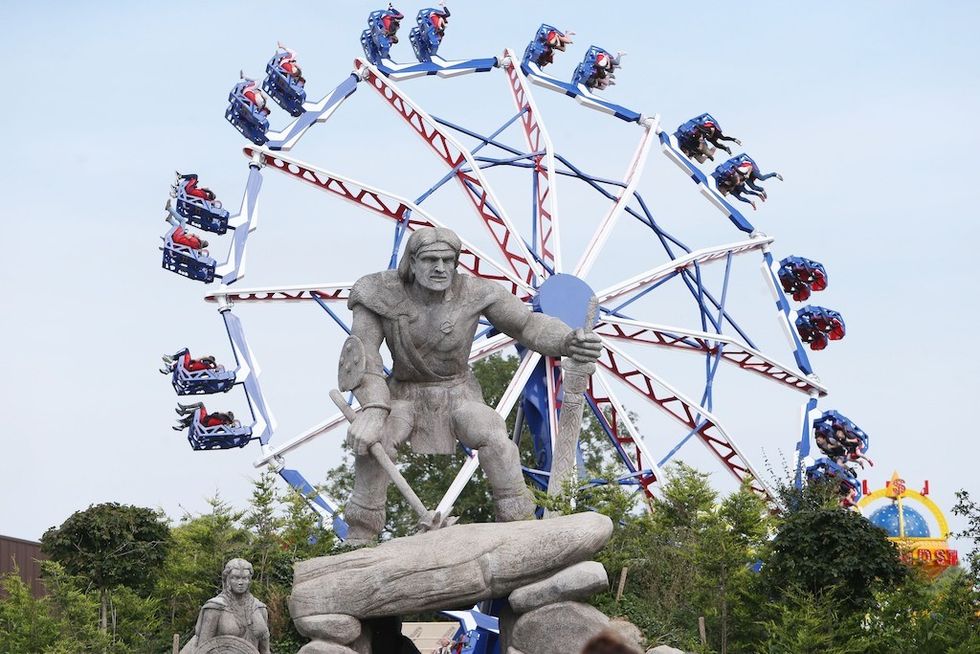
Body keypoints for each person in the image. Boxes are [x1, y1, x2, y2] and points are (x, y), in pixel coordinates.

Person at [341, 227, 602, 544]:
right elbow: (363, 356)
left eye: (448, 260)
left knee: (495, 437)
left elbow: (527, 324)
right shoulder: (378, 293)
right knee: (375, 440)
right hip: (404, 392)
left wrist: (567, 340)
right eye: (431, 260)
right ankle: (360, 537)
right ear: (412, 261)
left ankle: (520, 528)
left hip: (458, 391)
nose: (440, 268)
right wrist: (373, 409)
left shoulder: (476, 293)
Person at [188, 558, 271, 654]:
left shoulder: (259, 608)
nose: (240, 582)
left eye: (245, 578)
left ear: (249, 580)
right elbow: (203, 648)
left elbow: (265, 650)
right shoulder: (215, 607)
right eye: (235, 578)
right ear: (227, 580)